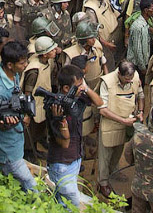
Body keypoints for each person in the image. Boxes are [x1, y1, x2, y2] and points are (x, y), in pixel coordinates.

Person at [47, 63, 104, 210]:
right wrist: (61, 122)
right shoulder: (57, 107)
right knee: (70, 203)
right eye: (79, 85)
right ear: (66, 88)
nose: (82, 87)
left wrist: (86, 88)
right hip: (62, 163)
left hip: (75, 158)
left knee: (67, 201)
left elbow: (99, 102)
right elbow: (64, 143)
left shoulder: (77, 97)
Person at [0, 40, 39, 192]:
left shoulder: (13, 75)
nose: (25, 65)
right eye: (22, 63)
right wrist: (6, 122)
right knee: (30, 185)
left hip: (15, 142)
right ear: (10, 64)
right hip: (7, 150)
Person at [97, 60, 143, 196]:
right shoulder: (106, 82)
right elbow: (102, 110)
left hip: (126, 122)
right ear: (119, 74)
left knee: (118, 150)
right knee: (105, 155)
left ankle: (113, 173)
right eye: (126, 80)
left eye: (131, 80)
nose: (129, 82)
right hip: (110, 123)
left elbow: (140, 95)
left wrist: (140, 110)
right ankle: (103, 182)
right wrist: (122, 120)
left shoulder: (134, 77)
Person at [128, 0, 153, 73]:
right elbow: (137, 50)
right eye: (152, 8)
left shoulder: (147, 23)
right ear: (146, 10)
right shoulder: (138, 26)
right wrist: (142, 67)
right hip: (136, 65)